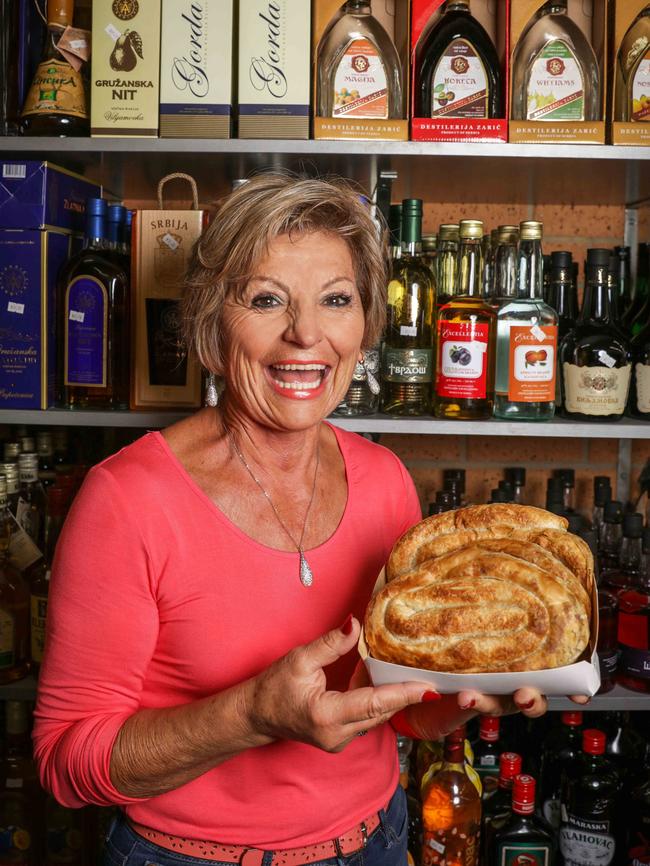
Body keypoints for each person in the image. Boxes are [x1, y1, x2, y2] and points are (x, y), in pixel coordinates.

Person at [33, 173, 582, 866]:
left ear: (364, 325)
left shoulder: (384, 481)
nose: (307, 334)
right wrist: (254, 715)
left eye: (336, 300)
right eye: (267, 300)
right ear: (210, 324)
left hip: (375, 839)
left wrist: (473, 693)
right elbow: (64, 762)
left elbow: (401, 708)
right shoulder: (127, 498)